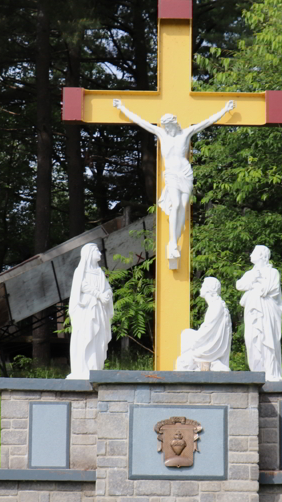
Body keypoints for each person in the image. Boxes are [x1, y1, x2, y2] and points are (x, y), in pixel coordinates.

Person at [113, 99, 235, 264]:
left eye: (169, 126)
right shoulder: (161, 134)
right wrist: (122, 108)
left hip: (185, 173)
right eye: (165, 127)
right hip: (171, 174)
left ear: (174, 124)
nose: (167, 129)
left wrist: (225, 110)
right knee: (176, 205)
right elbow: (140, 121)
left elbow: (207, 121)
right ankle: (172, 243)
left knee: (183, 207)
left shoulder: (186, 133)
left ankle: (175, 242)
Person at [236, 246, 282, 380]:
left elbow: (269, 289)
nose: (250, 255)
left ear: (262, 256)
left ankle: (270, 373)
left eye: (253, 253)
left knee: (267, 339)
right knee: (251, 339)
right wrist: (253, 280)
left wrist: (254, 286)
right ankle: (257, 372)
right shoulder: (250, 273)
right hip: (252, 310)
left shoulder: (272, 272)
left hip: (266, 310)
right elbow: (239, 285)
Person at [67, 243, 113, 380]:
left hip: (98, 310)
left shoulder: (100, 272)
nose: (100, 253)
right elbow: (82, 287)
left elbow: (107, 288)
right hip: (86, 310)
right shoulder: (80, 271)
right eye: (97, 251)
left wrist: (107, 295)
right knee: (85, 336)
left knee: (98, 338)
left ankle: (94, 367)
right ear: (89, 254)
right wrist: (99, 295)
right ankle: (83, 369)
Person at [175, 277, 232, 371]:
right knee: (187, 334)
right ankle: (189, 364)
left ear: (209, 289)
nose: (201, 288)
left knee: (186, 334)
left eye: (203, 286)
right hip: (211, 340)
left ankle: (188, 365)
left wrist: (196, 339)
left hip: (211, 345)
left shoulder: (216, 305)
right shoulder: (217, 304)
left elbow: (208, 328)